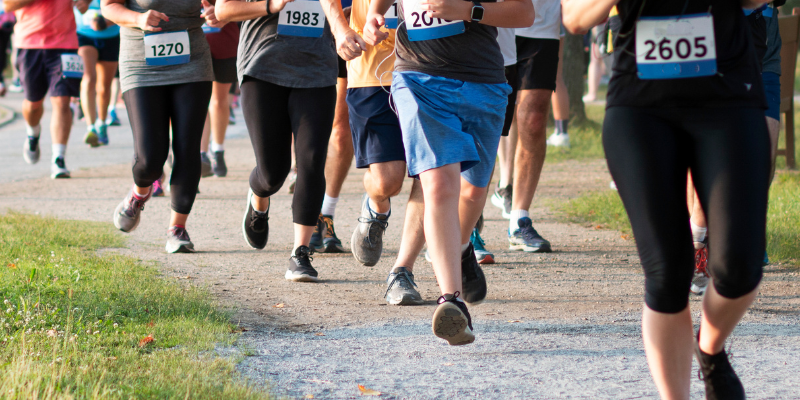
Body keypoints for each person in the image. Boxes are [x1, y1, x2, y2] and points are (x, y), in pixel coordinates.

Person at [564, 1, 771, 399]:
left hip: (728, 99)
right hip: (640, 108)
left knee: (739, 267)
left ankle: (709, 350)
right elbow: (573, 18)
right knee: (668, 273)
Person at [363, 0, 533, 344]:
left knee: (473, 192)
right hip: (418, 77)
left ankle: (458, 247)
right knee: (439, 184)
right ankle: (451, 301)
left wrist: (470, 10)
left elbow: (524, 13)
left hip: (483, 82)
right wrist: (373, 15)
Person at [216, 0, 365, 282]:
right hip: (262, 68)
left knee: (311, 161)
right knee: (272, 173)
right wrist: (271, 4)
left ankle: (300, 252)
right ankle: (259, 199)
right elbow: (224, 11)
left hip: (317, 71)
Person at [104, 0, 219, 253]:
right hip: (141, 64)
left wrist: (216, 13)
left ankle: (177, 229)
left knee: (188, 148)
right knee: (149, 159)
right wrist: (138, 18)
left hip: (192, 61)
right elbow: (108, 6)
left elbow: (221, 6)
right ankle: (138, 194)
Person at [690, 0, 783, 295]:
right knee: (706, 154)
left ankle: (742, 232)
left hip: (760, 46)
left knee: (763, 154)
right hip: (707, 40)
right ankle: (698, 243)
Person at [494, 0, 562, 254]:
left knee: (533, 120)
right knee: (488, 117)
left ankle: (519, 219)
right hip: (493, 22)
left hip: (541, 24)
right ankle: (469, 224)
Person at [5, 0, 89, 179]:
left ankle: (59, 158)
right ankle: (32, 133)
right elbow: (8, 5)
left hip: (65, 44)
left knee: (62, 99)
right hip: (29, 43)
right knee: (33, 103)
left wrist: (85, 2)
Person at [76, 0, 120, 147]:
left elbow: (126, 8)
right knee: (88, 78)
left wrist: (105, 22)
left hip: (111, 36)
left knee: (104, 87)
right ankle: (91, 128)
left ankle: (101, 124)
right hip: (84, 35)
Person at [199, 20, 240, 177]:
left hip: (225, 43)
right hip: (194, 44)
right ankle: (203, 154)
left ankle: (217, 149)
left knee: (218, 102)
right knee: (201, 102)